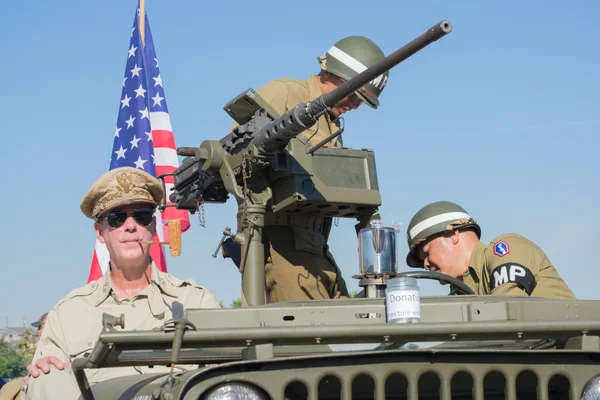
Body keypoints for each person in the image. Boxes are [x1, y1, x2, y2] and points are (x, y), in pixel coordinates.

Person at [21, 167, 221, 399]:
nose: (130, 225)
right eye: (116, 218)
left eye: (141, 215)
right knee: (46, 376)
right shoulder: (68, 314)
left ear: (153, 227)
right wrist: (45, 376)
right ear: (99, 232)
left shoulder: (195, 302)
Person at [228, 36, 389, 303]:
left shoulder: (332, 123)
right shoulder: (286, 93)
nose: (355, 105)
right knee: (305, 340)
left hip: (315, 247)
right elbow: (235, 155)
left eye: (362, 100)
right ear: (330, 71)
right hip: (281, 247)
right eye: (354, 93)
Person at [405, 200, 575, 299]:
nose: (426, 264)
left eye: (427, 252)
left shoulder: (505, 249)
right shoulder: (462, 292)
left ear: (452, 235)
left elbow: (510, 311)